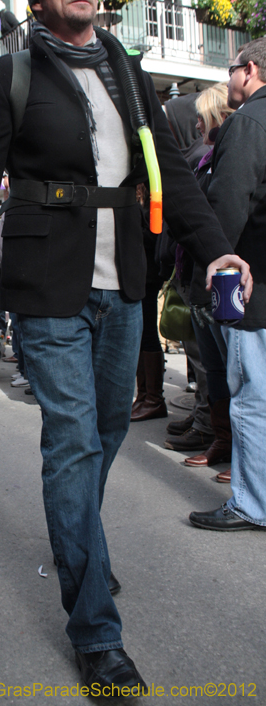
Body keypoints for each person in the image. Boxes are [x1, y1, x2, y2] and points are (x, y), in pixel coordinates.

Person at [0, 0, 252, 690]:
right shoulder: (8, 75)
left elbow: (169, 173)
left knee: (109, 425)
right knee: (75, 442)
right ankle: (95, 634)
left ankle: (82, 546)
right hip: (48, 286)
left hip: (126, 286)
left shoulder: (125, 68)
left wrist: (212, 250)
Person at [189, 39, 266, 531]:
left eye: (232, 68)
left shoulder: (249, 122)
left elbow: (228, 205)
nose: (230, 77)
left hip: (250, 286)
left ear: (251, 69)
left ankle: (252, 503)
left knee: (251, 396)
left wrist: (209, 280)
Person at [165, 84, 234, 466]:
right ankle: (218, 436)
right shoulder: (207, 157)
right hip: (197, 274)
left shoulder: (216, 155)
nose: (196, 124)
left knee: (225, 367)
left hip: (218, 277)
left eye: (202, 118)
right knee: (212, 363)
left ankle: (225, 439)